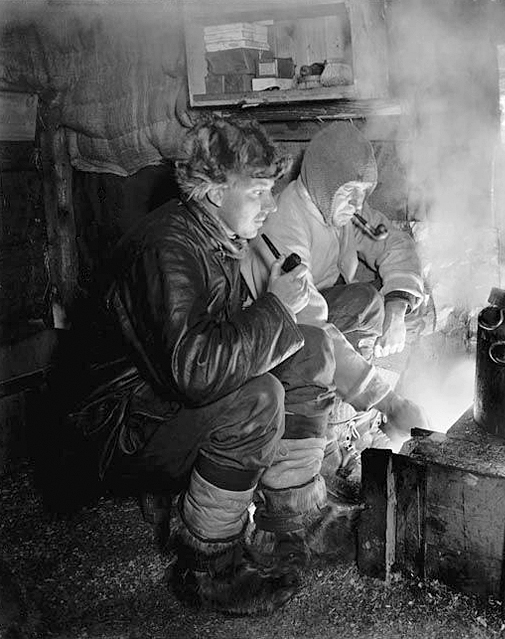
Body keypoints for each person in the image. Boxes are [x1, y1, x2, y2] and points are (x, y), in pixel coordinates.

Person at [62, 115, 352, 615]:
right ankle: (208, 567)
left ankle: (292, 520)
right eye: (258, 192)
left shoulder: (215, 236)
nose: (270, 205)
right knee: (258, 400)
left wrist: (280, 312)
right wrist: (276, 307)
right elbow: (196, 372)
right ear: (217, 191)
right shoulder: (167, 248)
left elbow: (225, 339)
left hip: (154, 404)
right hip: (114, 427)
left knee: (311, 350)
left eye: (272, 190)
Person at [242, 122, 431, 470]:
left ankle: (363, 423)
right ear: (324, 181)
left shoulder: (344, 211)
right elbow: (310, 326)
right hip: (273, 331)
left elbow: (392, 242)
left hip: (317, 307)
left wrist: (397, 307)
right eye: (350, 191)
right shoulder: (285, 223)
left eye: (364, 190)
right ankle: (334, 434)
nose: (359, 202)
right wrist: (387, 400)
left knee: (388, 306)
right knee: (348, 321)